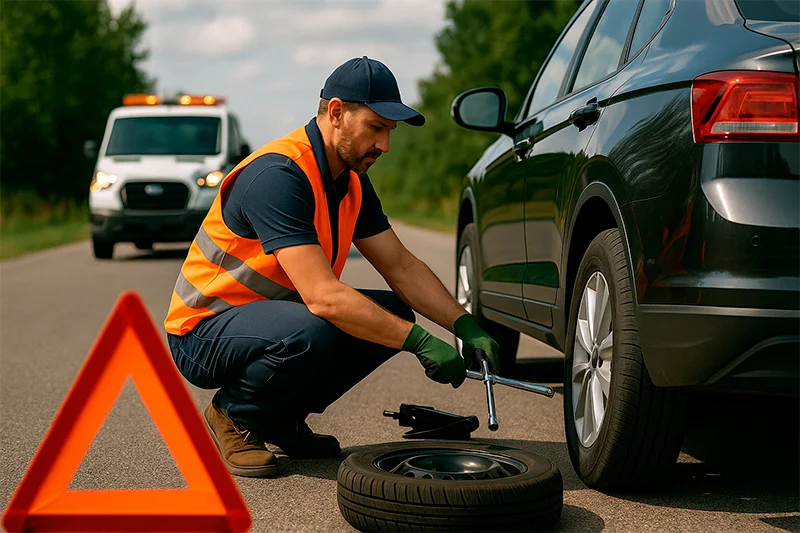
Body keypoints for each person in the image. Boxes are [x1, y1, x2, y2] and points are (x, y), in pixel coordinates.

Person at [164, 56, 499, 478]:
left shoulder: (351, 180)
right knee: (317, 328)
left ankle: (279, 417)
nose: (385, 145)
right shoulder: (279, 175)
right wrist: (418, 342)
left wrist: (464, 325)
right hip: (204, 331)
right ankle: (236, 415)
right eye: (376, 127)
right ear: (336, 113)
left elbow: (401, 267)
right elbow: (323, 297)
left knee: (392, 313)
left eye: (389, 131)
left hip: (275, 320)